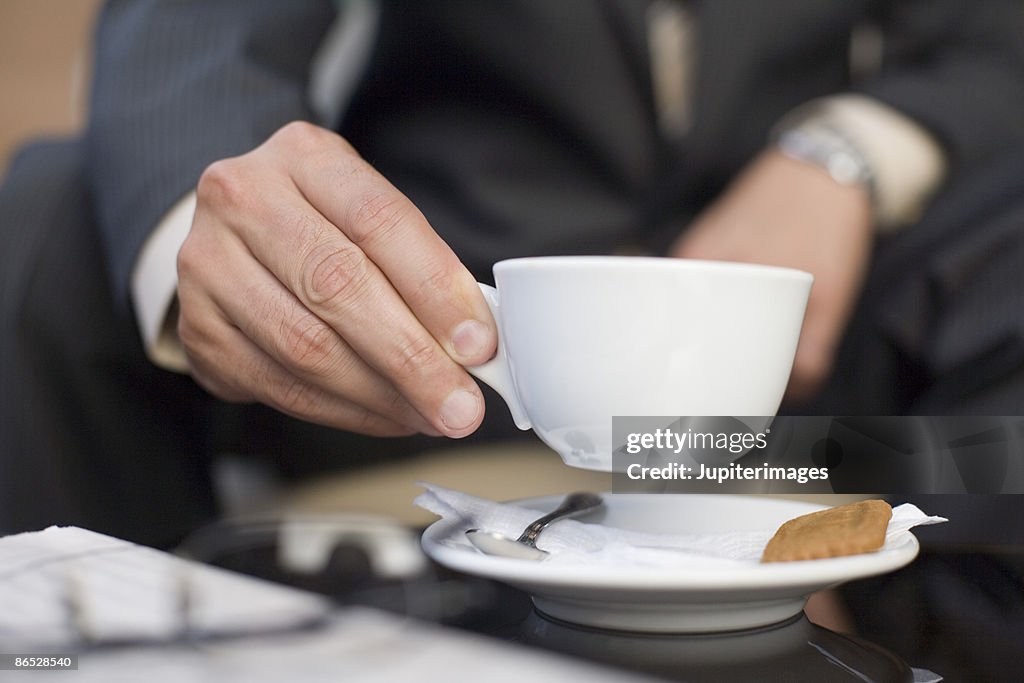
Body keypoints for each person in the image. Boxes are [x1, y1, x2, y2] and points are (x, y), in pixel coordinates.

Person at [2, 0, 1024, 545]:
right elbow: (195, 31)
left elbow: (990, 42)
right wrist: (221, 236)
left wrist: (846, 154)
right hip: (417, 357)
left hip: (818, 386)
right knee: (52, 210)